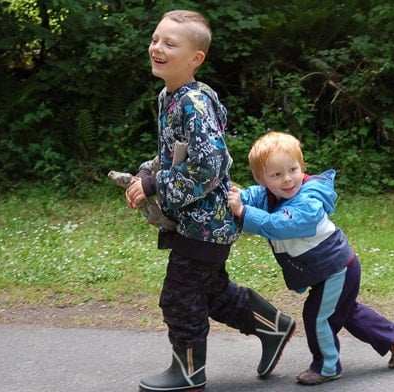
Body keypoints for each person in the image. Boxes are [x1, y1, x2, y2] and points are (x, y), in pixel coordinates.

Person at [126, 11, 295, 392]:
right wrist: (146, 175)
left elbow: (209, 167)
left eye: (170, 44)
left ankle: (187, 373)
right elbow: (173, 156)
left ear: (195, 58)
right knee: (211, 292)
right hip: (196, 221)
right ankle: (275, 326)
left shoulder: (195, 105)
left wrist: (158, 184)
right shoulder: (168, 97)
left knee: (180, 297)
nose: (157, 48)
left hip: (206, 223)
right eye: (155, 39)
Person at [228, 131, 394, 385]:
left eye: (293, 169)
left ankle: (327, 366)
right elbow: (249, 197)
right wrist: (234, 199)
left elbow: (280, 225)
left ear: (301, 167)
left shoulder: (309, 201)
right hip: (326, 271)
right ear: (262, 179)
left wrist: (244, 213)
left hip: (337, 269)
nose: (287, 180)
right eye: (276, 175)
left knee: (318, 316)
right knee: (345, 312)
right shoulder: (269, 195)